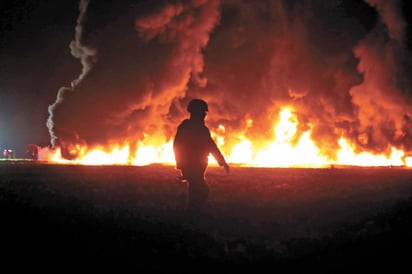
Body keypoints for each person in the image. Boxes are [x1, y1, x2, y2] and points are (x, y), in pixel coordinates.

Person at [173, 99, 230, 214]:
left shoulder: (199, 129)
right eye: (202, 112)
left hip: (198, 165)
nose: (204, 115)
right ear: (195, 113)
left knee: (196, 189)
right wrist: (181, 163)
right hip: (191, 165)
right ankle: (193, 213)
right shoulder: (190, 128)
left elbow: (211, 146)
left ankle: (192, 213)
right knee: (202, 190)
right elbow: (178, 146)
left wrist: (222, 161)